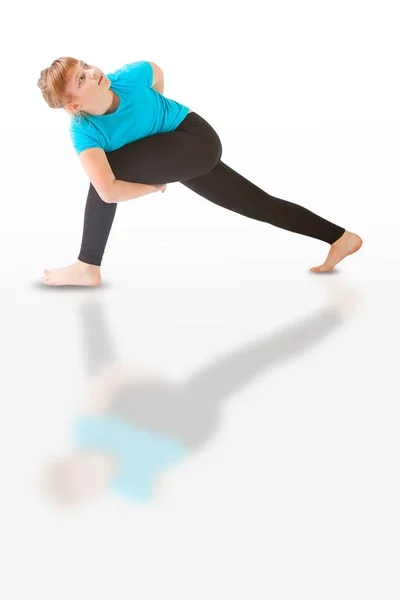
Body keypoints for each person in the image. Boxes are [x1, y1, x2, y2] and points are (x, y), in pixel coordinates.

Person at [37, 58, 363, 286]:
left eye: (85, 66)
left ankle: (87, 266)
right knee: (256, 203)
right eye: (81, 79)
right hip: (173, 157)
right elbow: (109, 192)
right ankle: (341, 238)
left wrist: (158, 118)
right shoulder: (85, 131)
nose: (92, 72)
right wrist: (151, 185)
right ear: (74, 106)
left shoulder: (129, 77)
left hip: (193, 138)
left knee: (108, 170)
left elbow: (156, 70)